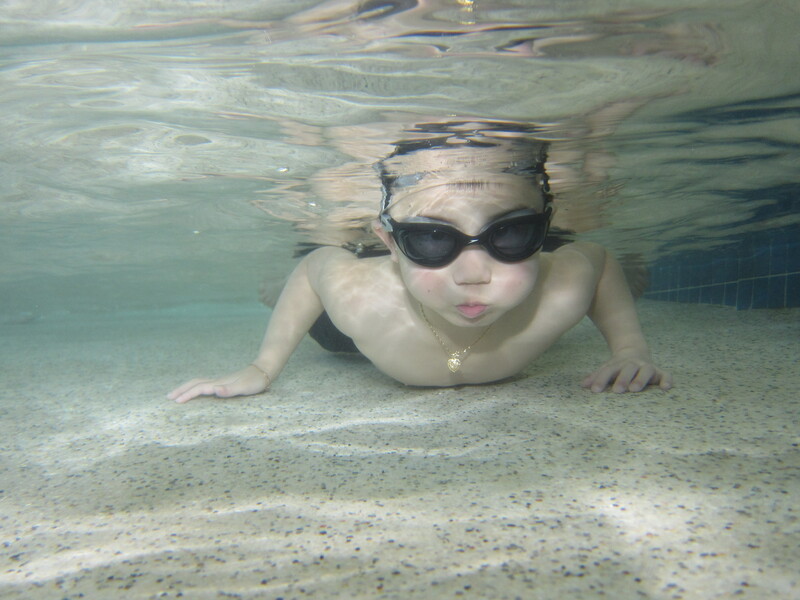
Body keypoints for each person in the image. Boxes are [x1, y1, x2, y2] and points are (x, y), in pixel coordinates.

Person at [168, 128, 671, 403]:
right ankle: (280, 289)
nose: (473, 275)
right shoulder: (361, 300)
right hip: (371, 330)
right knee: (329, 335)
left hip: (429, 296)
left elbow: (599, 260)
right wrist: (263, 366)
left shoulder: (561, 289)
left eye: (512, 234)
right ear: (390, 242)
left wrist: (630, 348)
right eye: (431, 238)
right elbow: (316, 266)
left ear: (542, 231)